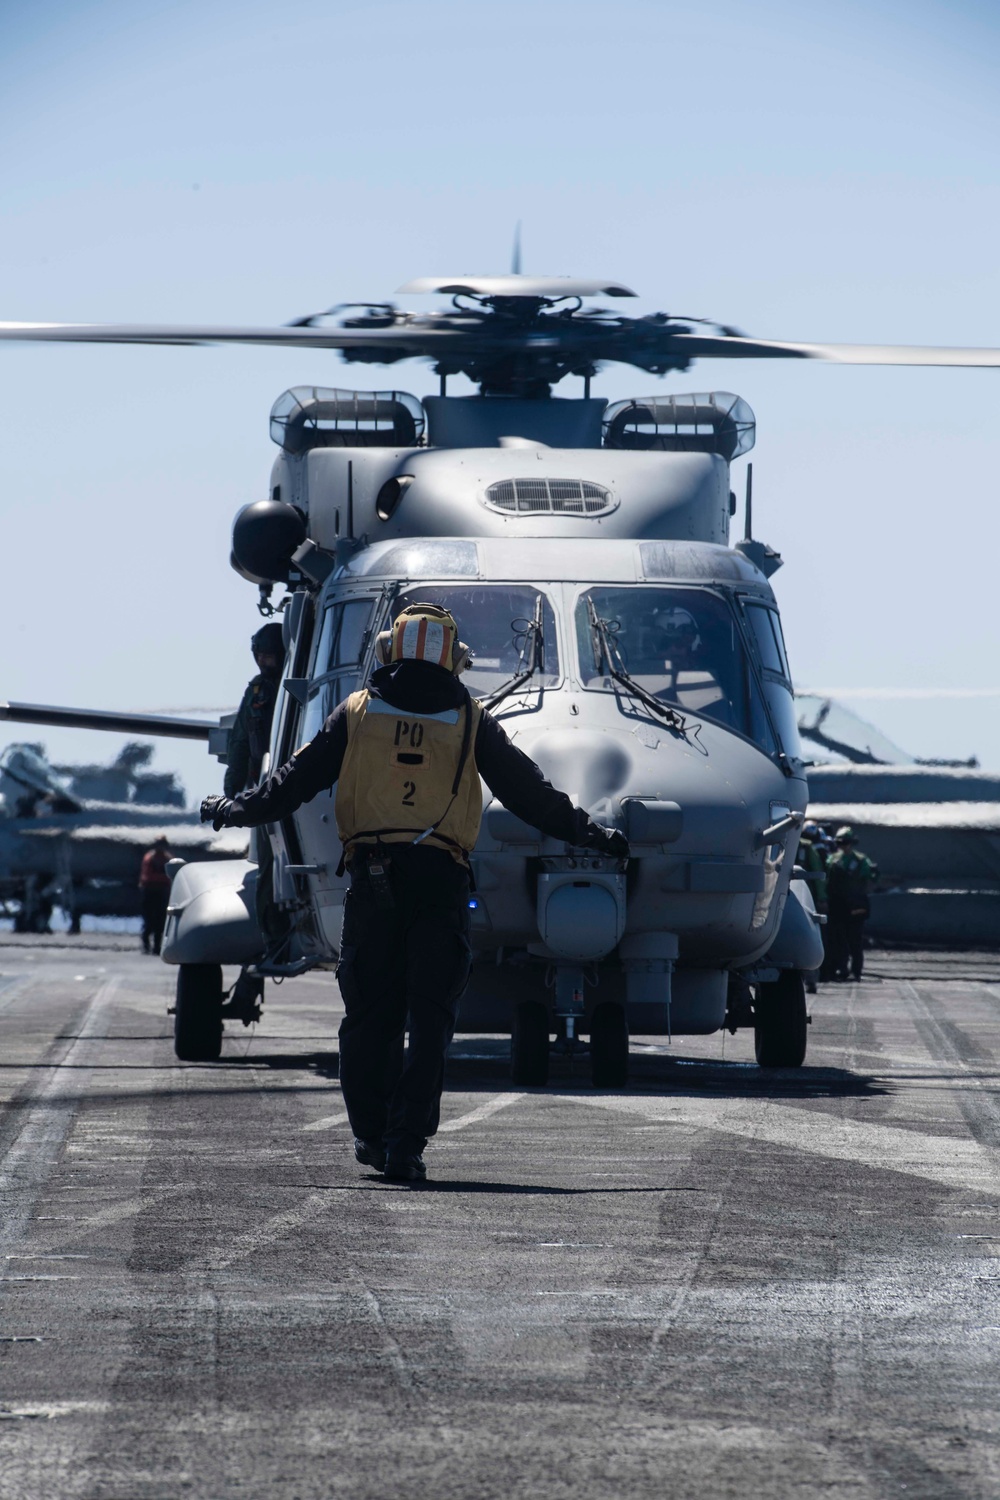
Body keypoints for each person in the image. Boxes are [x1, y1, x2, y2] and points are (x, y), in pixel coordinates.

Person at [201, 602, 629, 1184]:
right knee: (429, 1019)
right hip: (440, 882)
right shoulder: (472, 720)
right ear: (455, 659)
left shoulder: (355, 713)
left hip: (373, 883)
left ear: (388, 649)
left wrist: (233, 808)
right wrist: (594, 835)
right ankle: (406, 1145)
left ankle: (370, 1135)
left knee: (368, 1015)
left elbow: (289, 784)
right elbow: (532, 795)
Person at [224, 623, 284, 797]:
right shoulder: (256, 691)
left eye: (267, 656)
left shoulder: (295, 683)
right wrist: (231, 792)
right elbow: (240, 742)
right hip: (264, 779)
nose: (261, 661)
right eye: (258, 656)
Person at [825, 825, 878, 983]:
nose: (844, 846)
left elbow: (872, 877)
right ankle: (840, 968)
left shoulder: (861, 860)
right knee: (837, 939)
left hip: (855, 905)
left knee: (855, 940)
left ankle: (856, 971)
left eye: (847, 843)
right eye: (841, 843)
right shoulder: (832, 859)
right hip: (837, 905)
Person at [797, 821, 828, 993]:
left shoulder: (807, 849)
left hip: (805, 898)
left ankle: (811, 979)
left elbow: (818, 873)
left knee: (810, 937)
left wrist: (822, 898)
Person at [138, 835, 171, 955]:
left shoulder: (168, 859)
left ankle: (157, 947)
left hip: (161, 893)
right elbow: (147, 876)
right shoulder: (149, 858)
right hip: (150, 892)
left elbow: (170, 877)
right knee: (149, 921)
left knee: (160, 922)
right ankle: (146, 944)